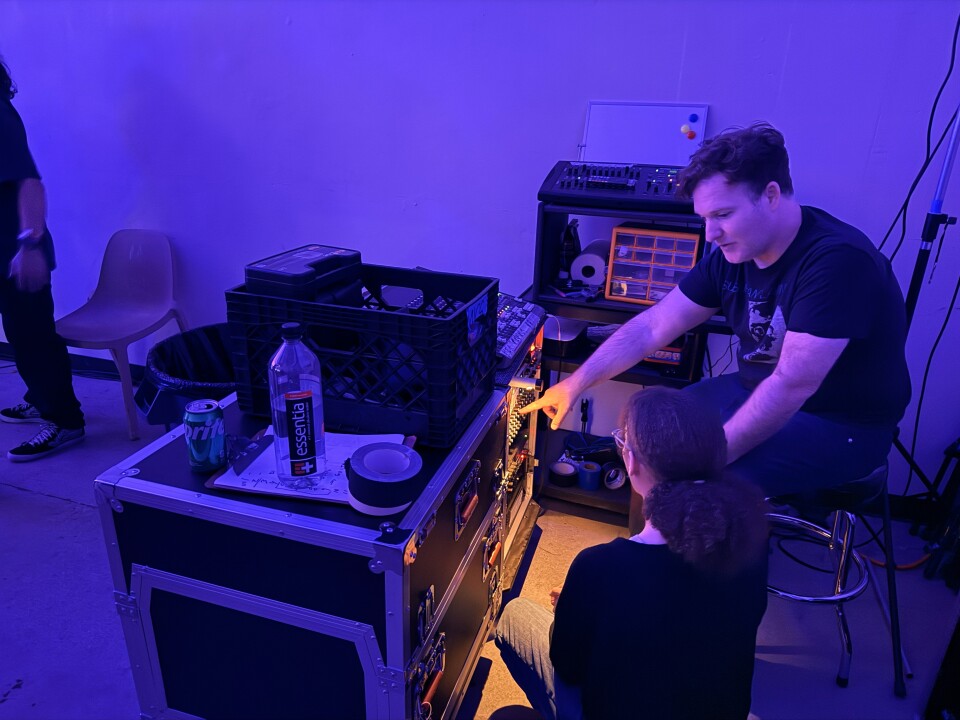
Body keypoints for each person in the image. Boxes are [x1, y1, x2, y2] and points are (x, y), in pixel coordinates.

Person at [523, 122, 910, 499]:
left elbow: (792, 384)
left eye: (723, 215)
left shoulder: (837, 261)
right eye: (705, 218)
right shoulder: (732, 254)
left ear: (771, 195)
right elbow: (652, 327)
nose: (711, 234)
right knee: (648, 435)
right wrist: (576, 383)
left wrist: (706, 463)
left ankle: (695, 537)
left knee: (689, 481)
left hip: (841, 423)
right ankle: (654, 539)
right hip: (754, 387)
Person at [495, 387, 769, 719]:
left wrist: (573, 608)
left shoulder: (598, 568)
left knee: (516, 616)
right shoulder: (752, 541)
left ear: (631, 461)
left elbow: (568, 666)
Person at [0, 58, 84, 461]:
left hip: (17, 253)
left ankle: (65, 421)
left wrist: (30, 245)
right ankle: (39, 398)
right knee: (20, 335)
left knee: (33, 336)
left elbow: (29, 181)